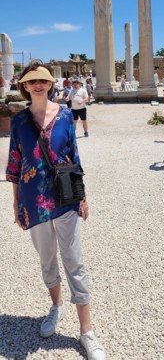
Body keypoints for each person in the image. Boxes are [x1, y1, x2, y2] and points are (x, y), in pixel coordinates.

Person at [5, 61, 106, 360]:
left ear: (50, 84)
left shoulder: (64, 115)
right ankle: (56, 307)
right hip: (33, 202)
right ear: (24, 85)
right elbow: (14, 164)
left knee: (74, 261)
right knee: (47, 259)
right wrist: (16, 204)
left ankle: (86, 331)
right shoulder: (20, 122)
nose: (38, 85)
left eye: (43, 81)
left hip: (64, 199)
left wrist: (82, 196)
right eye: (32, 81)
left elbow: (73, 156)